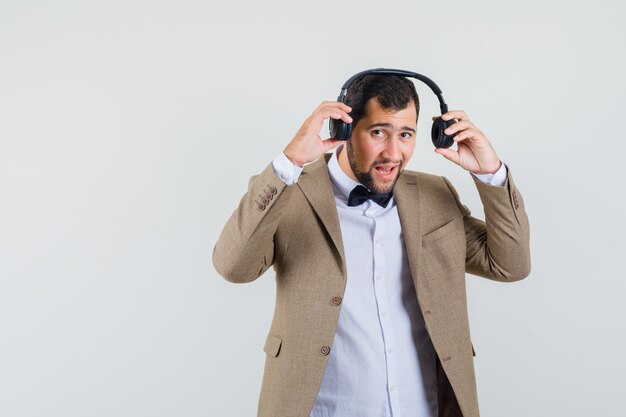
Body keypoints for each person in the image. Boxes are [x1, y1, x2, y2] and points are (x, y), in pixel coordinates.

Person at [213, 72, 530, 417]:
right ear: (343, 130)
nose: (393, 153)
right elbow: (233, 266)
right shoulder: (290, 194)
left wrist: (491, 173)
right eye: (378, 132)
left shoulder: (436, 196)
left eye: (406, 134)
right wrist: (290, 162)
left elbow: (510, 264)